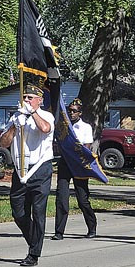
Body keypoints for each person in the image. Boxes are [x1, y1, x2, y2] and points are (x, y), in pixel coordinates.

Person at [0, 83, 55, 266]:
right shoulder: (15, 117)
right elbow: (4, 142)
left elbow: (45, 129)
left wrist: (32, 113)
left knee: (38, 212)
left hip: (40, 168)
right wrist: (15, 126)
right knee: (18, 212)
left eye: (30, 98)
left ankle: (34, 254)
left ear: (40, 100)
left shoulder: (46, 115)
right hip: (21, 169)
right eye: (25, 98)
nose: (26, 101)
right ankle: (34, 240)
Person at [52, 98, 98, 240]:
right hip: (65, 164)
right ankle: (59, 232)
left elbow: (87, 148)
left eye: (74, 111)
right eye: (69, 110)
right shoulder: (63, 127)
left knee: (82, 200)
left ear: (80, 113)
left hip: (79, 165)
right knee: (61, 198)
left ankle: (92, 227)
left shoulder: (86, 127)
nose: (71, 113)